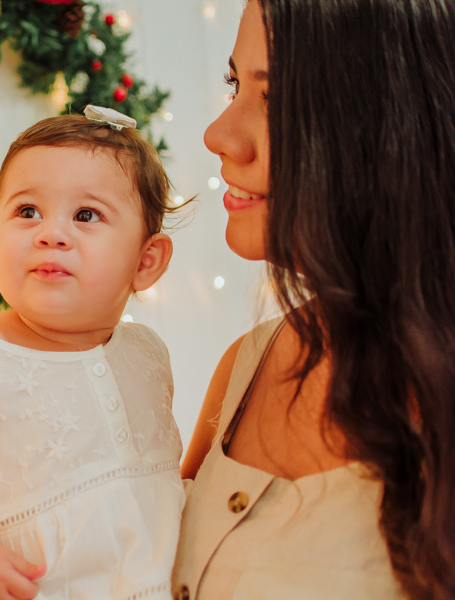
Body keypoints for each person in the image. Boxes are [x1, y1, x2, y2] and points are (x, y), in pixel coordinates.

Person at [173, 1, 455, 599]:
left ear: (395, 127)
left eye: (277, 99)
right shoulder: (244, 368)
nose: (218, 135)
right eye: (234, 83)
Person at [0, 106, 185, 600]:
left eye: (86, 215)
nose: (51, 233)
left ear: (146, 261)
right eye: (28, 212)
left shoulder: (147, 354)